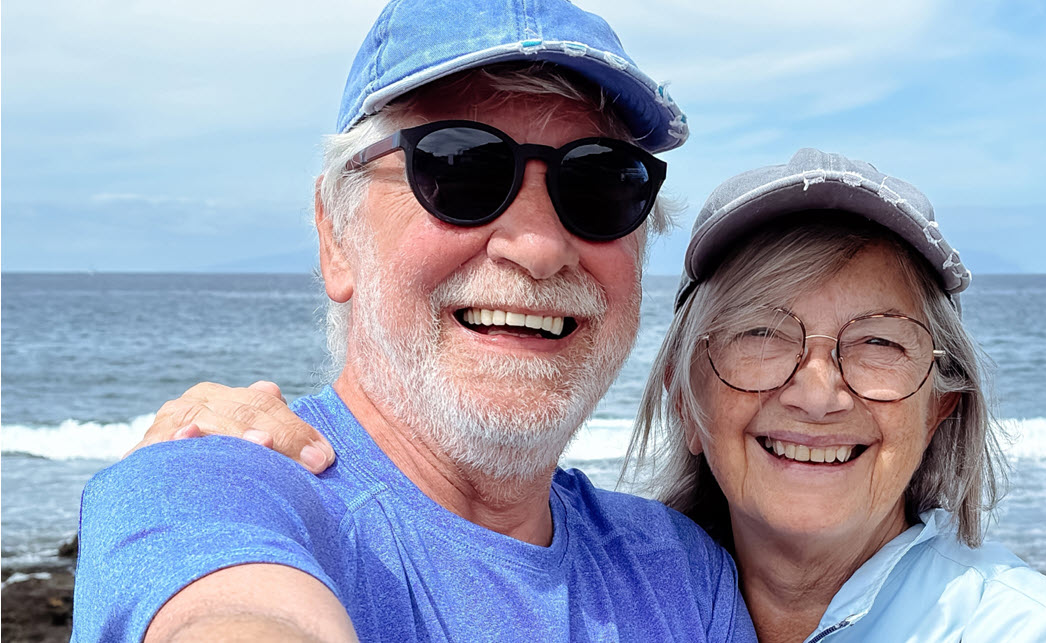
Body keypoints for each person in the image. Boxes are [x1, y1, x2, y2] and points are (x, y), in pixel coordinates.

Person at [146, 150, 1046, 641]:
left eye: (876, 345)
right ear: (692, 399)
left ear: (940, 406)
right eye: (760, 338)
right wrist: (228, 458)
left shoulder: (1020, 630)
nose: (816, 388)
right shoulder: (660, 583)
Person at [72, 1, 755, 641]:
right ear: (335, 235)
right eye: (460, 169)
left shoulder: (686, 575)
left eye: (603, 183)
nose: (540, 248)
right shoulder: (206, 482)